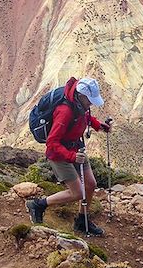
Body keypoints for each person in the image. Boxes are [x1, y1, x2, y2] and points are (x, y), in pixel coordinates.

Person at [26, 77, 111, 236]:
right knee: (77, 193)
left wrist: (100, 126)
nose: (91, 104)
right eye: (90, 101)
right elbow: (52, 142)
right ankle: (37, 205)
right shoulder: (65, 111)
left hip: (75, 150)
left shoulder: (79, 104)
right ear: (82, 96)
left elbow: (85, 118)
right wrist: (71, 157)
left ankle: (82, 221)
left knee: (90, 184)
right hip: (60, 155)